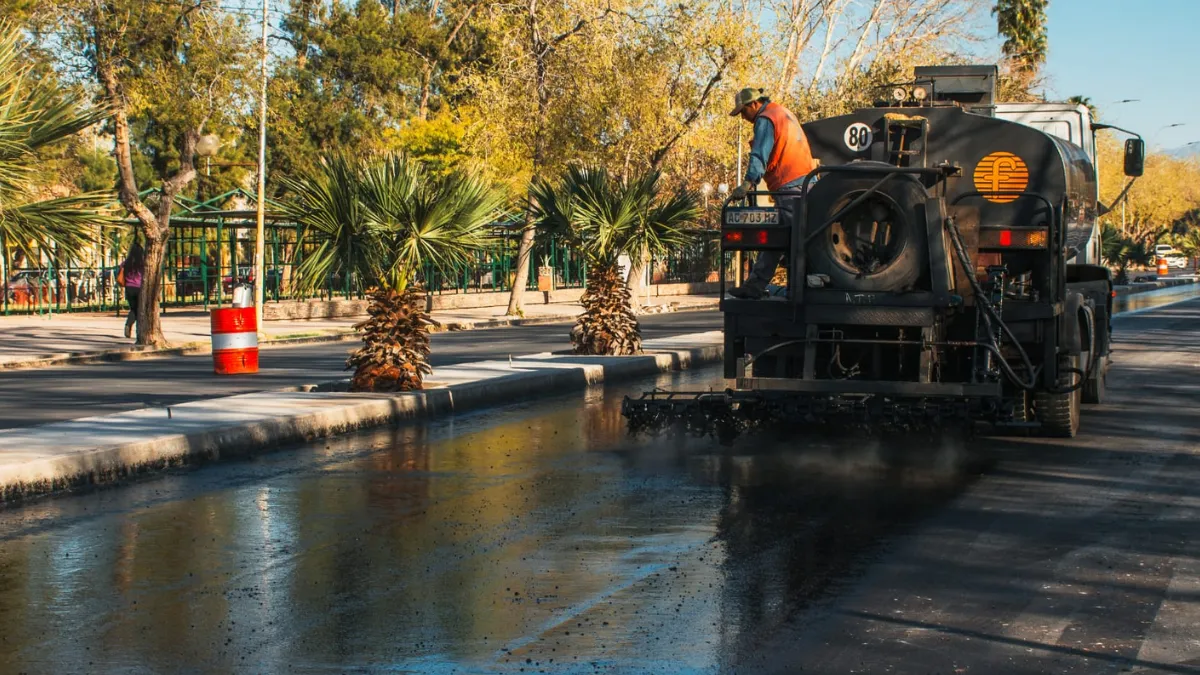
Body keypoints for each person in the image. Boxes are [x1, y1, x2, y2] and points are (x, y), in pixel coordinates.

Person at [726, 87, 817, 299]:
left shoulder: (765, 119)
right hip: (807, 182)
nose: (743, 117)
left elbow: (760, 154)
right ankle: (762, 285)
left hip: (790, 185)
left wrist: (748, 183)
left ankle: (779, 287)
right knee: (786, 236)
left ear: (753, 104)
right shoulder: (782, 112)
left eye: (743, 111)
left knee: (782, 237)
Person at [121, 241, 145, 339]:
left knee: (133, 308)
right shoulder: (143, 263)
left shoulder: (126, 263)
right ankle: (139, 329)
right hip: (140, 288)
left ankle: (128, 324)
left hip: (129, 287)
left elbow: (121, 272)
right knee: (141, 309)